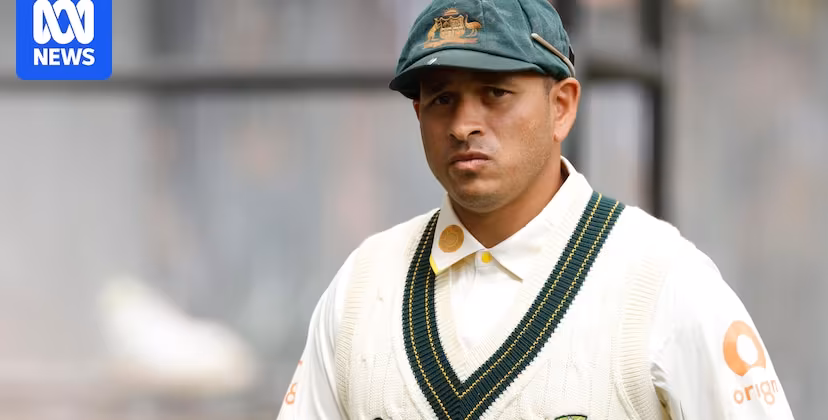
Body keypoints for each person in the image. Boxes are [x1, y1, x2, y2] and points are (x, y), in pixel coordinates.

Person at [276, 0, 795, 418]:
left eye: (495, 93)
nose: (463, 125)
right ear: (418, 113)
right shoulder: (364, 287)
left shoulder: (660, 280)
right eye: (442, 99)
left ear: (561, 106)